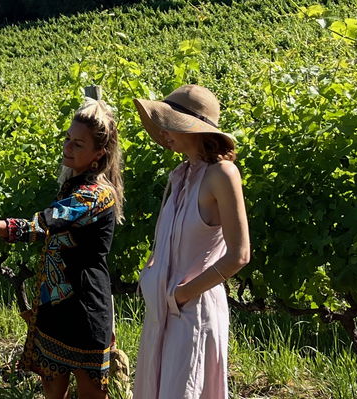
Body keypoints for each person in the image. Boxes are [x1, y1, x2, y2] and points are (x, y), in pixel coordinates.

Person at [0, 95, 126, 399]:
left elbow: (39, 226)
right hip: (57, 307)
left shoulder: (94, 196)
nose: (67, 147)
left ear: (100, 153)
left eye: (78, 144)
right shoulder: (75, 184)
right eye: (68, 139)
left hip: (85, 311)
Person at [131, 85, 252, 399]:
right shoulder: (180, 175)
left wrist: (183, 294)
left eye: (170, 122)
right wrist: (152, 275)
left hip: (192, 308)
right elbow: (165, 243)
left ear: (195, 129)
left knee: (182, 390)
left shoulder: (222, 174)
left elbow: (240, 254)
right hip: (163, 307)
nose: (163, 131)